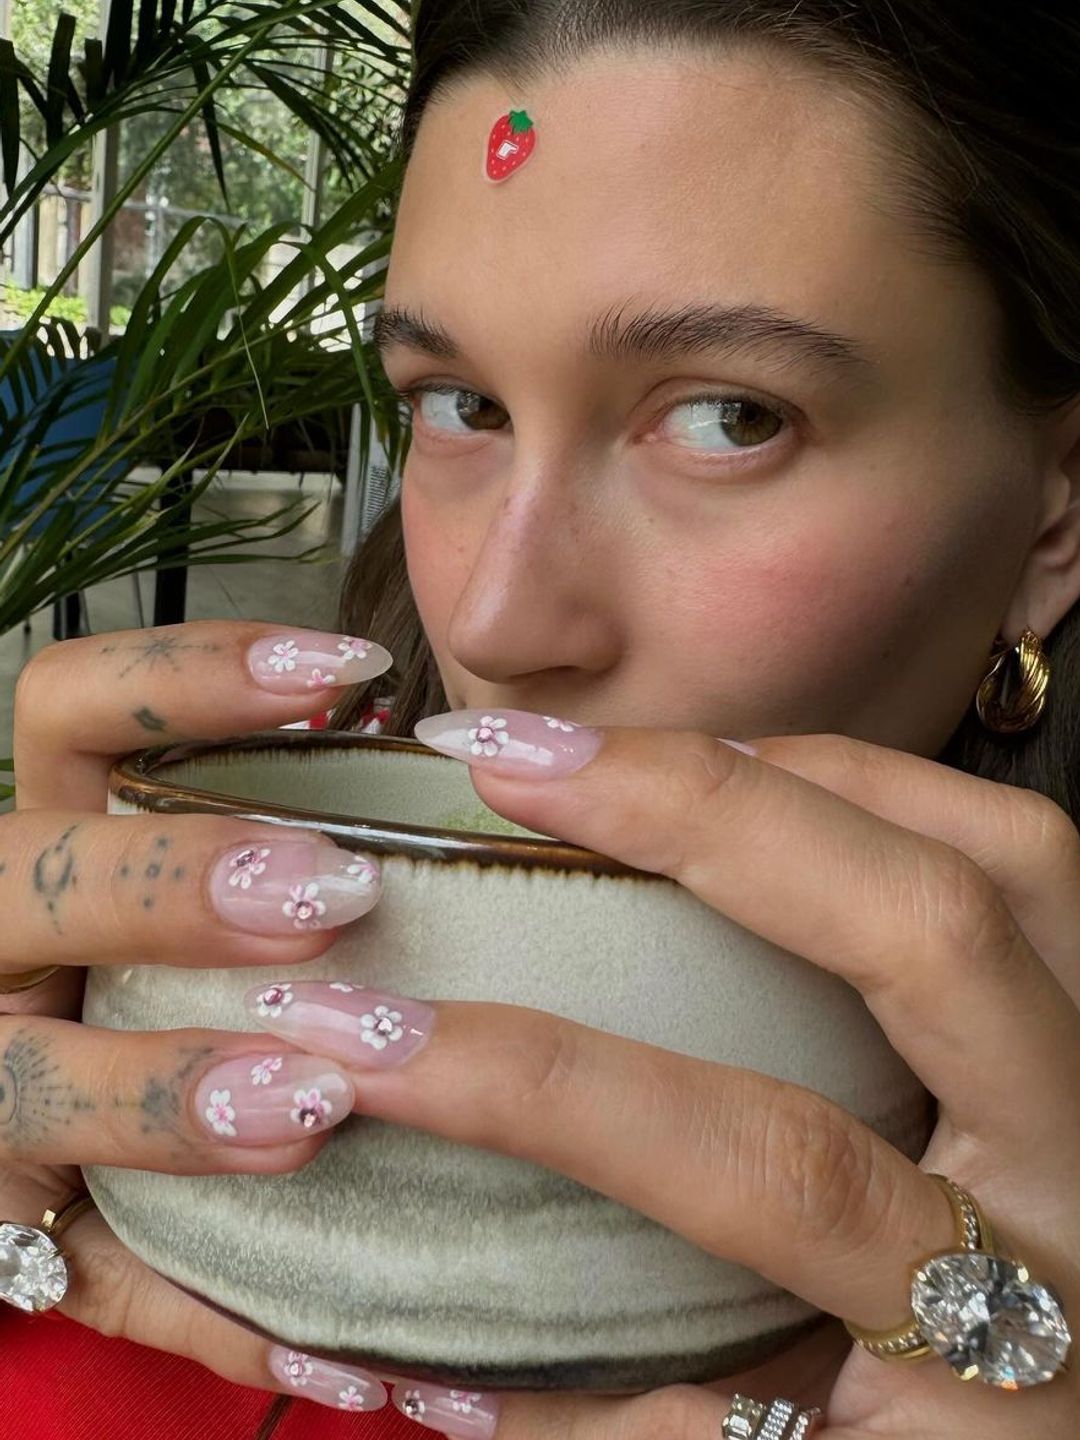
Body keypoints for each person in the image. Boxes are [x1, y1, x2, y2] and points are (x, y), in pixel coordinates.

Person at [2, 1, 1078, 1436]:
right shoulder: (163, 1249)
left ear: (1053, 515)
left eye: (729, 420)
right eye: (458, 404)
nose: (495, 622)